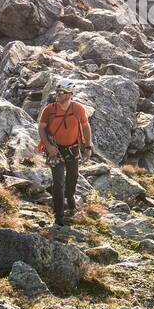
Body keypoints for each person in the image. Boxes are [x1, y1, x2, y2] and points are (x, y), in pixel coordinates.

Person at [37, 81, 93, 224]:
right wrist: (48, 146)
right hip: (55, 150)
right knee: (58, 182)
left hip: (73, 149)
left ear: (70, 94)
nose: (57, 94)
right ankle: (59, 216)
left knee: (72, 178)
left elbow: (86, 127)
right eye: (56, 91)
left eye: (61, 92)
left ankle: (70, 197)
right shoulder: (49, 110)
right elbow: (41, 128)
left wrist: (87, 147)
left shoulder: (78, 109)